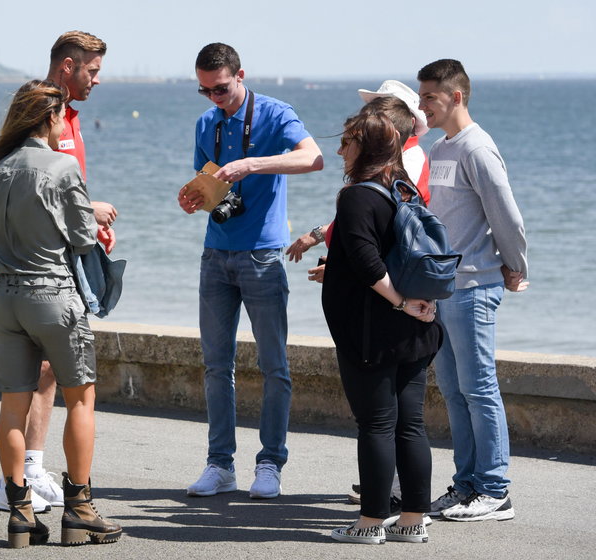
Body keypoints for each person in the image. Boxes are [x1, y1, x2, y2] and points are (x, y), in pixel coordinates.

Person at [0, 79, 122, 547]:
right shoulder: (61, 165)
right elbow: (82, 238)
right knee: (81, 398)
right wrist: (96, 225)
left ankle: (20, 513)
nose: (63, 122)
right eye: (60, 115)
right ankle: (79, 510)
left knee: (13, 405)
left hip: (4, 298)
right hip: (52, 294)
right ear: (49, 118)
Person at [178, 43, 323, 499]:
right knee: (215, 367)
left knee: (273, 365)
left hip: (262, 255)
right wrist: (193, 199)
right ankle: (220, 465)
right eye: (204, 91)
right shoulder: (206, 123)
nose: (214, 98)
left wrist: (252, 164)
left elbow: (314, 158)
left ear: (240, 75)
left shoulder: (277, 113)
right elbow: (209, 188)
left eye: (220, 88)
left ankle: (270, 463)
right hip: (215, 254)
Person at [324, 111, 442, 544]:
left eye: (347, 141)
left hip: (373, 331)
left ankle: (371, 523)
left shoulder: (357, 197)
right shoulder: (404, 189)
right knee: (409, 425)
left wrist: (401, 302)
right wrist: (413, 306)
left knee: (375, 424)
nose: (340, 150)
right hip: (414, 332)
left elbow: (367, 262)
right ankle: (412, 521)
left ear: (366, 148)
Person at [417, 59, 528, 522]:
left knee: (479, 389)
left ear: (455, 97)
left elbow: (506, 216)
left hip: (475, 288)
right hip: (443, 290)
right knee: (454, 391)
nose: (422, 106)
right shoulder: (441, 149)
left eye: (429, 98)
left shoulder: (477, 149)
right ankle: (465, 486)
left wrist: (515, 267)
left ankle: (496, 490)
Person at [286, 80, 429, 270]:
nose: (373, 119)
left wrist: (343, 267)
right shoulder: (388, 163)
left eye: (384, 112)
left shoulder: (408, 162)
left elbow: (381, 233)